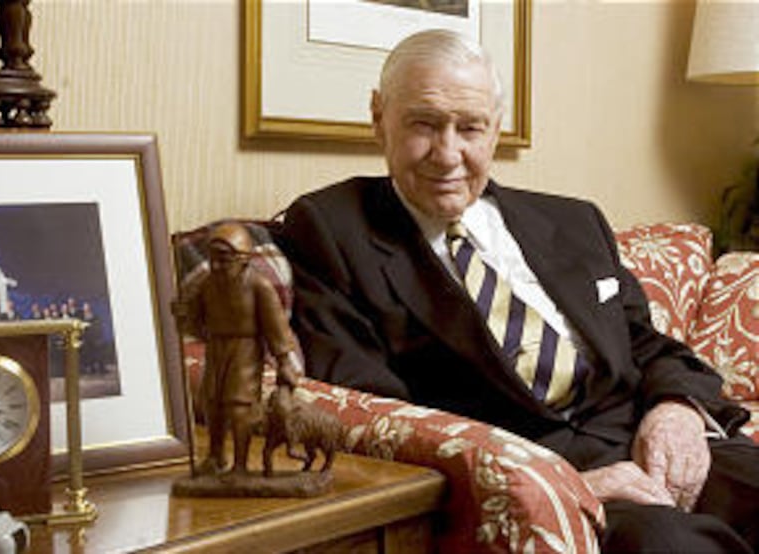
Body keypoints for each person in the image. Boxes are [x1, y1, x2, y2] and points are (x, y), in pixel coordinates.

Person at [279, 29, 758, 552]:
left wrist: (677, 409)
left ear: (496, 130)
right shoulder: (329, 230)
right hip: (530, 475)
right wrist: (561, 485)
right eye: (424, 124)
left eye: (470, 128)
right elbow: (373, 414)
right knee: (671, 545)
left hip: (646, 439)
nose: (447, 153)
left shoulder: (573, 220)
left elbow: (645, 343)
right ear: (378, 117)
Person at [174, 223, 299, 475]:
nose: (217, 266)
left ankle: (240, 465)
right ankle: (215, 456)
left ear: (244, 259)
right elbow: (194, 320)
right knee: (212, 403)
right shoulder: (207, 284)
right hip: (216, 348)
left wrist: (284, 360)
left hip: (245, 350)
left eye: (224, 259)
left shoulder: (259, 286)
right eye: (213, 260)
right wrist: (182, 314)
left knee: (239, 408)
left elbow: (276, 327)